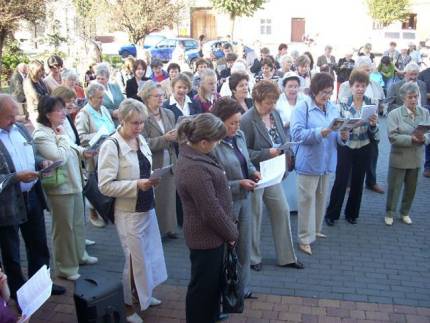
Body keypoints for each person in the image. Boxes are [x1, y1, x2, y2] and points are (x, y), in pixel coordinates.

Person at [98, 99, 167, 323]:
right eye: (134, 123)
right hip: (128, 211)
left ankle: (144, 295)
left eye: (142, 123)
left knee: (148, 255)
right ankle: (128, 306)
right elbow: (105, 185)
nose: (139, 128)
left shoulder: (141, 139)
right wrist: (136, 185)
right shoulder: (112, 145)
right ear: (122, 120)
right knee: (132, 260)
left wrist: (153, 179)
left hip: (147, 206)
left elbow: (145, 168)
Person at [0, 94, 65, 300]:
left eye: (15, 115)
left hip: (32, 196)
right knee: (11, 252)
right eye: (9, 116)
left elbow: (31, 153)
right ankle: (19, 293)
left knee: (38, 244)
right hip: (7, 205)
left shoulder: (19, 129)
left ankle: (42, 286)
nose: (15, 120)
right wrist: (15, 177)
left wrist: (41, 162)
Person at [175, 113, 239, 323]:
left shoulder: (197, 155)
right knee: (202, 289)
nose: (219, 143)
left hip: (212, 236)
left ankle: (210, 316)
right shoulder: (194, 168)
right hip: (206, 238)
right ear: (203, 142)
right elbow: (210, 211)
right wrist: (231, 233)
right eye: (217, 140)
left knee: (210, 287)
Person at [33, 96, 98, 280]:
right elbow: (58, 157)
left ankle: (80, 256)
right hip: (60, 188)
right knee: (63, 229)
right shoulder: (42, 134)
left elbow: (73, 149)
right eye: (59, 110)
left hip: (74, 183)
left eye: (63, 109)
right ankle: (65, 267)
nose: (63, 113)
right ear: (47, 114)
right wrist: (62, 138)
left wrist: (84, 152)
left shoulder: (58, 129)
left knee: (77, 223)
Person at [240, 81, 303, 271]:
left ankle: (286, 257)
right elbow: (244, 153)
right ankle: (253, 258)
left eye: (274, 101)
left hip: (273, 172)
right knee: (255, 216)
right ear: (257, 100)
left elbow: (281, 138)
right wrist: (268, 152)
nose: (272, 106)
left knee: (282, 211)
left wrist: (286, 151)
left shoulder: (274, 114)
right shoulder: (246, 120)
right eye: (268, 102)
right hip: (256, 174)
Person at [290, 73, 349, 255]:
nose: (327, 96)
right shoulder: (302, 107)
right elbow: (297, 135)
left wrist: (343, 136)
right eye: (324, 92)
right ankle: (304, 238)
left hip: (327, 161)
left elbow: (337, 133)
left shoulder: (332, 107)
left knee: (321, 198)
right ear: (314, 90)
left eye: (330, 93)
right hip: (308, 162)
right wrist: (320, 133)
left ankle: (315, 229)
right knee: (306, 200)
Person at [212, 98, 260, 298]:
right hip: (227, 203)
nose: (236, 127)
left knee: (244, 246)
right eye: (232, 123)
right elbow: (214, 182)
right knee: (225, 249)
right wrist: (238, 183)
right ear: (219, 121)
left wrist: (253, 171)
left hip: (245, 198)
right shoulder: (213, 145)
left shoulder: (239, 136)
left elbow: (245, 162)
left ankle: (243, 288)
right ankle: (225, 289)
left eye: (238, 122)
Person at [325, 70, 378, 226]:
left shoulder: (371, 103)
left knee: (358, 180)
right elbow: (338, 125)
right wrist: (343, 130)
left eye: (363, 86)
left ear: (366, 87)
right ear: (351, 86)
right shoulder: (343, 102)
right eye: (357, 86)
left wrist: (373, 124)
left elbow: (375, 131)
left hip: (364, 145)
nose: (360, 89)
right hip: (346, 145)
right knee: (341, 180)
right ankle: (332, 214)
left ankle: (352, 213)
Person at [338, 56, 385, 194]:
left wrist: (378, 112)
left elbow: (380, 102)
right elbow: (342, 105)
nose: (368, 72)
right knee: (349, 160)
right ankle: (348, 183)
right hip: (351, 131)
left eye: (369, 70)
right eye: (365, 70)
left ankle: (371, 181)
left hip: (370, 127)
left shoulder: (375, 85)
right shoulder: (346, 85)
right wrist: (357, 116)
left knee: (372, 154)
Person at [385, 82, 430, 226]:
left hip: (417, 157)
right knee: (394, 188)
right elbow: (392, 137)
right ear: (403, 97)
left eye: (415, 97)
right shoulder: (394, 114)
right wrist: (411, 138)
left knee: (411, 189)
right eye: (410, 97)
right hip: (399, 157)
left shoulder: (425, 112)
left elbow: (429, 132)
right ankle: (390, 212)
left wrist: (425, 138)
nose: (413, 100)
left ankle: (405, 212)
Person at [139, 82, 178, 239]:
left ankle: (170, 228)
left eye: (162, 95)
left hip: (171, 159)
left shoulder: (168, 113)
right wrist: (164, 138)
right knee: (158, 197)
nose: (161, 98)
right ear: (147, 98)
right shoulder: (142, 116)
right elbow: (143, 143)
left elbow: (175, 133)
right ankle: (158, 231)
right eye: (157, 96)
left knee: (170, 196)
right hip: (154, 161)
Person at [75, 82, 116, 228]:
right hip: (95, 155)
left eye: (102, 97)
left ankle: (108, 209)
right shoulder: (83, 114)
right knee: (95, 183)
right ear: (90, 98)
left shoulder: (104, 109)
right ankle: (93, 210)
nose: (102, 100)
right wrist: (99, 135)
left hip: (109, 151)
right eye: (99, 98)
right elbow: (80, 136)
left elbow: (111, 125)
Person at [275, 72, 305, 213]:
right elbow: (274, 121)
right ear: (284, 87)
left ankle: (298, 204)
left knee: (299, 173)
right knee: (286, 172)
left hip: (300, 141)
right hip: (284, 140)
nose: (293, 89)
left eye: (295, 86)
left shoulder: (304, 100)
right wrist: (285, 124)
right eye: (290, 86)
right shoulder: (278, 102)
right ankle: (285, 204)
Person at [23, 60, 49, 125]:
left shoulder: (40, 80)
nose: (41, 73)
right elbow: (36, 97)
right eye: (39, 71)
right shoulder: (28, 82)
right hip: (35, 111)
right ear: (33, 70)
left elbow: (47, 93)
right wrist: (47, 97)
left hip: (44, 109)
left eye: (42, 70)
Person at [418, 66, 430, 177]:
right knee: (428, 138)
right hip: (428, 108)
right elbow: (419, 92)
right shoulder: (423, 74)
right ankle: (428, 167)